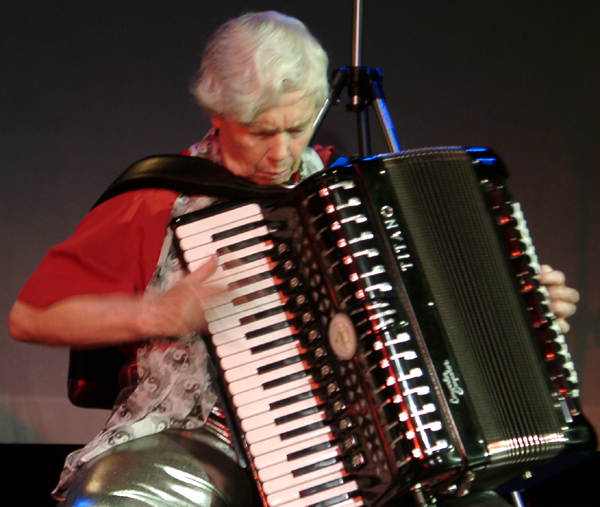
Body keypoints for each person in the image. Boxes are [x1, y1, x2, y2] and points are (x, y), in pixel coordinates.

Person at [7, 10, 579, 507]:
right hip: (196, 436)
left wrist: (518, 306)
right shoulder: (158, 197)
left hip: (352, 443)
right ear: (216, 115)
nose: (280, 153)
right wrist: (157, 314)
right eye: (259, 133)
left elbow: (428, 328)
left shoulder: (349, 199)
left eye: (297, 127)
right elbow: (30, 317)